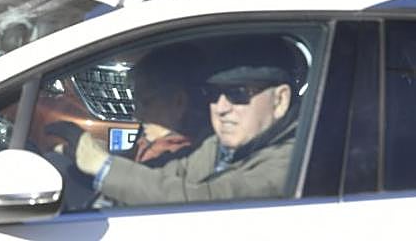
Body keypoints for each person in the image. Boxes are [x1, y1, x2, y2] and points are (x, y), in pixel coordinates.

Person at [67, 35, 301, 206]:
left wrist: (104, 167)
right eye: (212, 94)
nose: (220, 108)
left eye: (237, 93)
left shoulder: (290, 163)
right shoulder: (219, 147)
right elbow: (169, 175)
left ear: (280, 101)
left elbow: (203, 200)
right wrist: (81, 160)